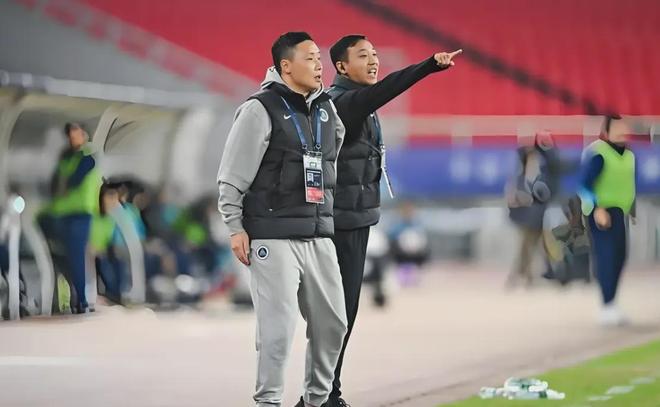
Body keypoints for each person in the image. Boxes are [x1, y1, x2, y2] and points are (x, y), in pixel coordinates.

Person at [325, 34, 460, 406]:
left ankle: (324, 392)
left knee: (344, 313)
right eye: (363, 55)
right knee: (337, 314)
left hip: (356, 218)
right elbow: (386, 90)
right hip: (341, 222)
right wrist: (428, 66)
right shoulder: (343, 102)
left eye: (374, 54)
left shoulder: (358, 103)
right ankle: (324, 394)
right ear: (341, 66)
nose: (373, 61)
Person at [216, 32, 347, 407]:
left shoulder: (327, 109)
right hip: (272, 235)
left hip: (318, 233)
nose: (319, 65)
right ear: (286, 66)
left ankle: (315, 400)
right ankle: (269, 402)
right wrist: (235, 227)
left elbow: (331, 159)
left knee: (333, 324)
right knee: (279, 327)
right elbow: (232, 175)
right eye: (310, 58)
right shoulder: (259, 109)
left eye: (319, 58)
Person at [579, 115, 637, 326]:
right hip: (602, 213)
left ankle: (612, 302)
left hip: (620, 212)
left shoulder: (629, 155)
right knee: (607, 256)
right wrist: (597, 208)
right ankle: (606, 305)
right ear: (607, 131)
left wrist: (632, 209)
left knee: (620, 256)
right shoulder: (599, 154)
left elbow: (627, 185)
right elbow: (584, 185)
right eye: (617, 127)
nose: (622, 131)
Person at [40, 122, 102, 313]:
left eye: (77, 132)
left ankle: (81, 299)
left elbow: (73, 181)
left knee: (76, 256)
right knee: (60, 255)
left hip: (80, 214)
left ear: (85, 134)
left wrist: (62, 186)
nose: (73, 137)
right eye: (70, 133)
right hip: (60, 214)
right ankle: (74, 296)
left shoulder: (87, 156)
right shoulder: (66, 157)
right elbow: (55, 184)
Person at [506, 131, 562, 287]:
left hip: (537, 216)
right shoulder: (521, 176)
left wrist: (544, 148)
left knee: (533, 247)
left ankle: (527, 276)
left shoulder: (544, 175)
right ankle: (524, 276)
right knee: (527, 246)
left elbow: (554, 162)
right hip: (525, 216)